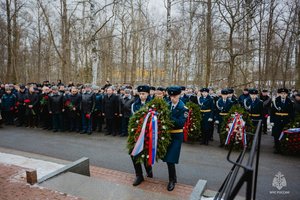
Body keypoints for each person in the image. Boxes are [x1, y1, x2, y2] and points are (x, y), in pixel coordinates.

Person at [163, 86, 188, 191]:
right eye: (170, 96)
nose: (172, 98)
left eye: (174, 96)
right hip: (167, 135)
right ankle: (174, 178)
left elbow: (180, 123)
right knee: (168, 159)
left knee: (170, 159)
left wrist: (168, 116)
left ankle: (172, 180)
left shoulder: (184, 108)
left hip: (176, 136)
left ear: (179, 95)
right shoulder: (167, 105)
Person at [130, 85, 153, 186]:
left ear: (148, 94)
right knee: (133, 153)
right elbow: (133, 119)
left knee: (145, 154)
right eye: (140, 94)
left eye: (143, 94)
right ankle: (139, 175)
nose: (141, 96)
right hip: (137, 133)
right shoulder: (135, 105)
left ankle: (148, 169)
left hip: (149, 133)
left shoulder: (153, 104)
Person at [270, 88, 294, 154]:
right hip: (277, 119)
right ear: (279, 94)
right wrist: (272, 121)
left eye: (285, 94)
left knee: (285, 135)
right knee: (276, 135)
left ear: (287, 94)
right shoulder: (275, 101)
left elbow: (292, 112)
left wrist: (291, 120)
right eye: (282, 93)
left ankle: (284, 148)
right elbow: (272, 112)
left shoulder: (290, 101)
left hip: (286, 120)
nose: (283, 95)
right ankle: (277, 148)